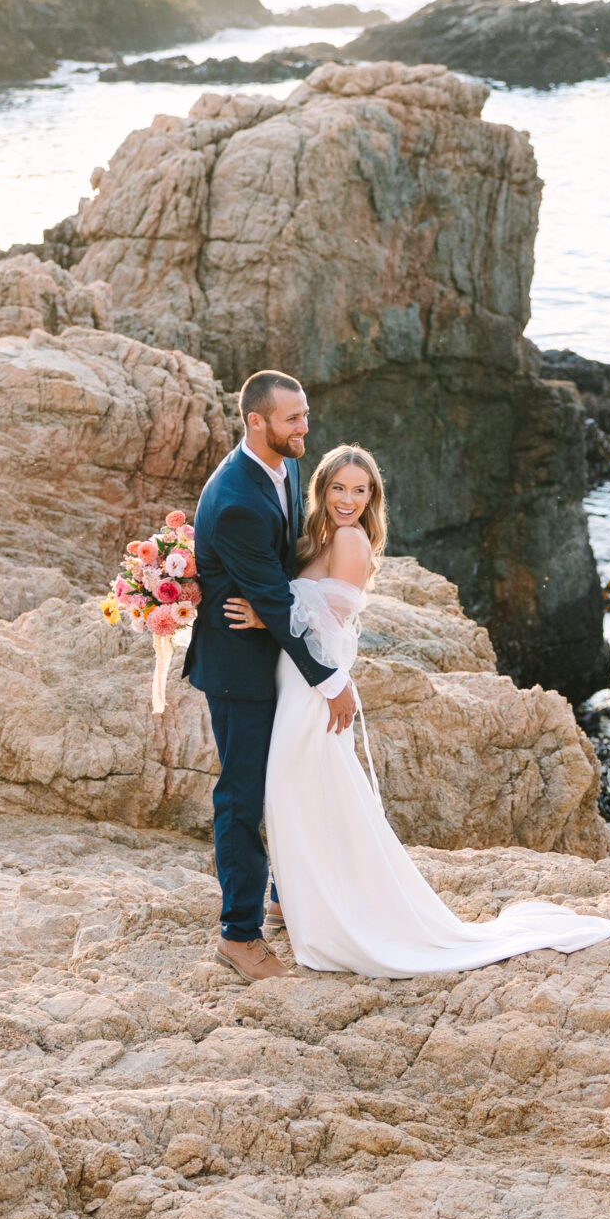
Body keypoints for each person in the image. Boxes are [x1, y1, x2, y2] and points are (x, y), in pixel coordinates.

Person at [220, 443, 610, 978]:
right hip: (297, 678)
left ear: (372, 496)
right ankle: (287, 899)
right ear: (322, 488)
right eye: (339, 488)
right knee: (303, 791)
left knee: (301, 788)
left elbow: (329, 618)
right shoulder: (317, 535)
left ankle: (309, 906)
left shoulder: (350, 539)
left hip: (316, 682)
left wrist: (263, 613)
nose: (348, 499)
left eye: (360, 490)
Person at [183, 371, 358, 983]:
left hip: (270, 659)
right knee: (241, 797)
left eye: (306, 414)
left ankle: (283, 896)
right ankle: (238, 934)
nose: (305, 427)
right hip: (240, 672)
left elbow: (279, 581)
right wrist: (331, 680)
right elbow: (276, 600)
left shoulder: (277, 473)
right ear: (256, 422)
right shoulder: (235, 497)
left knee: (286, 777)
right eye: (292, 419)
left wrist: (269, 604)